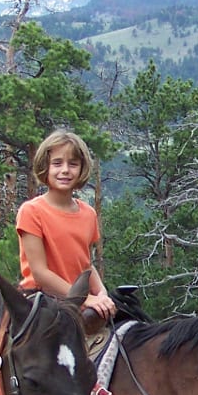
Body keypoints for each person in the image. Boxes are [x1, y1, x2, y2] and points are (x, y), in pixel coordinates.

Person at [17, 130, 116, 320]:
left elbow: (85, 264)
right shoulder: (32, 212)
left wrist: (102, 293)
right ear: (45, 167)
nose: (65, 170)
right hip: (42, 303)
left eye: (73, 164)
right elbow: (40, 273)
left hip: (78, 303)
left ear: (81, 169)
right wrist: (86, 299)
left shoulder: (88, 214)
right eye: (57, 163)